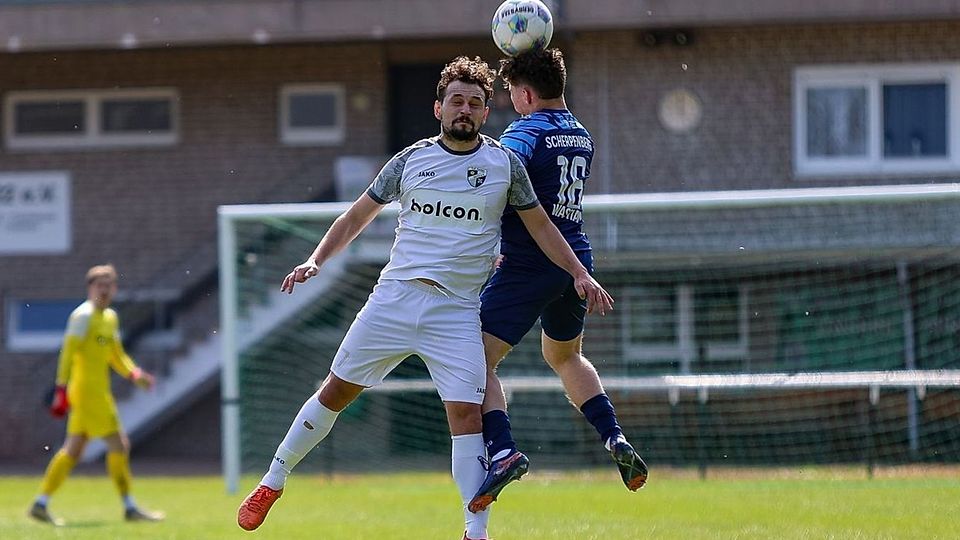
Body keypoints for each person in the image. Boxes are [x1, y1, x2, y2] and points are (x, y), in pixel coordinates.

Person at [236, 56, 613, 540]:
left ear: (486, 112)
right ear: (439, 108)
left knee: (467, 417)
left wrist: (579, 273)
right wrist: (316, 260)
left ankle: (475, 532)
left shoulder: (505, 164)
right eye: (456, 100)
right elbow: (355, 217)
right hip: (393, 300)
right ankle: (274, 480)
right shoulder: (410, 160)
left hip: (455, 312)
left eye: (475, 103)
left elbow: (542, 226)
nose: (465, 109)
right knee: (336, 392)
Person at [468, 48, 648, 514]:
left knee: (474, 361)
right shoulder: (581, 134)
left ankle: (503, 451)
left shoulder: (524, 132)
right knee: (565, 356)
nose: (513, 103)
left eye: (511, 94)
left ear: (526, 93)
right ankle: (614, 437)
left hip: (529, 263)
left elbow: (501, 179)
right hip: (577, 261)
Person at [29, 264, 164, 526]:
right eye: (98, 285)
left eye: (108, 285)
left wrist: (135, 374)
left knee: (73, 450)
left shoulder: (110, 317)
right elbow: (68, 353)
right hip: (88, 393)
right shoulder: (83, 316)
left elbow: (116, 354)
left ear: (114, 288)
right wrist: (61, 389)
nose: (103, 290)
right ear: (90, 288)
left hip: (95, 392)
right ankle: (129, 507)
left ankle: (40, 503)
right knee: (119, 445)